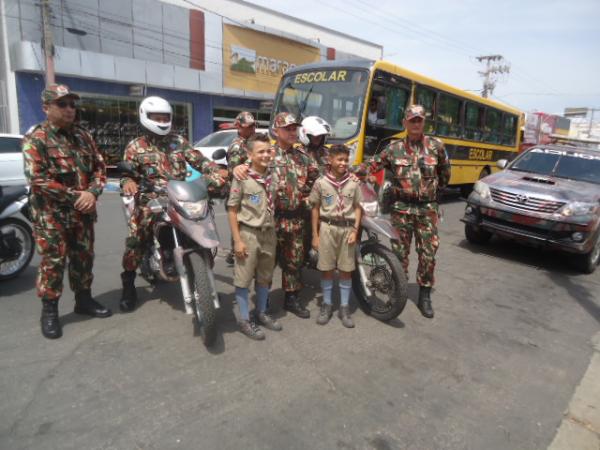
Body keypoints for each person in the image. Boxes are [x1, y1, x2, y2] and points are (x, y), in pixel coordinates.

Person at [119, 96, 227, 312]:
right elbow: (124, 173)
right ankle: (128, 283)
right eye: (156, 117)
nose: (161, 121)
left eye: (164, 117)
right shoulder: (135, 146)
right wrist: (128, 181)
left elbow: (200, 161)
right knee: (136, 238)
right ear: (145, 117)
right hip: (151, 197)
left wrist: (216, 171)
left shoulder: (179, 142)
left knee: (200, 220)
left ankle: (196, 262)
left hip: (179, 194)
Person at [22, 84, 111, 339]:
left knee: (84, 259)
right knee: (53, 264)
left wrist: (92, 192)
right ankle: (49, 311)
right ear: (46, 108)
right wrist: (76, 196)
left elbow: (100, 168)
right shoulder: (36, 139)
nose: (70, 109)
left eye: (72, 104)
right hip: (51, 216)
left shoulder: (84, 136)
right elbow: (37, 179)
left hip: (82, 214)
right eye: (62, 104)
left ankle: (83, 300)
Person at [361, 105, 450, 318]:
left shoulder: (436, 146)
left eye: (419, 120)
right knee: (399, 254)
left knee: (428, 254)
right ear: (405, 123)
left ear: (424, 122)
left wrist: (432, 194)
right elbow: (373, 164)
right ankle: (397, 290)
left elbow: (445, 174)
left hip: (427, 208)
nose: (416, 124)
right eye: (412, 120)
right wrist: (350, 171)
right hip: (401, 208)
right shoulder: (394, 149)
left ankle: (424, 295)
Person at [233, 112, 319, 318]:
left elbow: (315, 180)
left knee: (294, 261)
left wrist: (307, 198)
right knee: (266, 262)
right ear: (276, 130)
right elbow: (245, 168)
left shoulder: (303, 157)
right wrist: (238, 167)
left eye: (293, 128)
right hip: (270, 219)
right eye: (287, 128)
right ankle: (264, 299)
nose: (292, 132)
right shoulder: (266, 154)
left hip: (296, 219)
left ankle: (291, 298)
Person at [227, 133, 282, 339]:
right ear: (249, 154)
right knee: (243, 278)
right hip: (248, 233)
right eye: (260, 152)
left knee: (265, 276)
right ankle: (244, 319)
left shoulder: (273, 175)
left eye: (268, 151)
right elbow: (232, 209)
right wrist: (238, 241)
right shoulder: (242, 177)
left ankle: (261, 312)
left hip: (269, 233)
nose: (266, 155)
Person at [309, 145, 362, 328]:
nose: (343, 163)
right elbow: (315, 208)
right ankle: (327, 304)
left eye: (346, 160)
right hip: (327, 228)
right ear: (329, 160)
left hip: (347, 230)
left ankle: (345, 307)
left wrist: (355, 230)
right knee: (327, 268)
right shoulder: (321, 183)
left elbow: (357, 207)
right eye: (339, 159)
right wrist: (315, 235)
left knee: (346, 269)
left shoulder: (354, 182)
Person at [225, 111, 257, 266]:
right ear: (238, 126)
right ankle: (235, 252)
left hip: (252, 189)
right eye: (248, 127)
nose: (252, 129)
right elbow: (235, 172)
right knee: (239, 222)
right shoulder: (237, 146)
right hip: (241, 190)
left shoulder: (251, 142)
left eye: (253, 126)